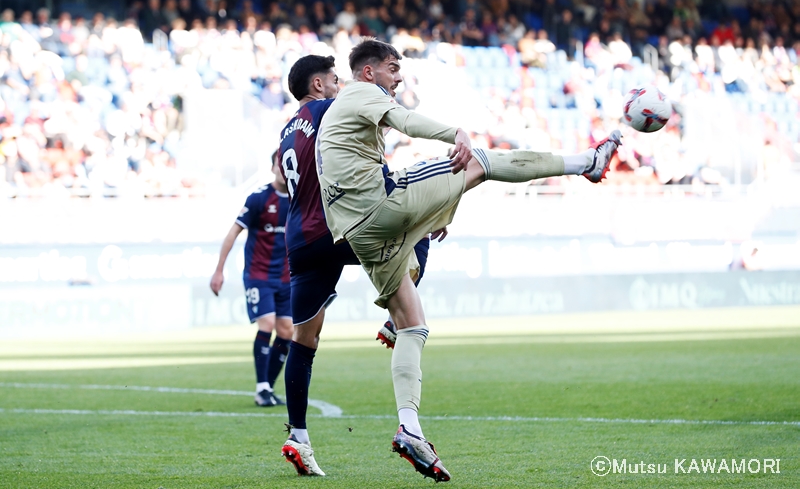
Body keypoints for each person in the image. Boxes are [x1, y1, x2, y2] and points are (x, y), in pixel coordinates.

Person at [316, 38, 622, 482]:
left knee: (411, 324)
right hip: (379, 207)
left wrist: (430, 212)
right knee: (476, 159)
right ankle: (586, 162)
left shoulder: (347, 107)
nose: (398, 76)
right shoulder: (362, 93)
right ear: (368, 72)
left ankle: (410, 428)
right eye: (391, 68)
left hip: (357, 232)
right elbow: (403, 120)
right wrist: (452, 132)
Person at [275, 54, 437, 477]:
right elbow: (380, 126)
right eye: (333, 79)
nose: (340, 84)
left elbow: (281, 180)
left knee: (303, 341)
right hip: (341, 225)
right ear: (317, 86)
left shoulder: (286, 131)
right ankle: (394, 319)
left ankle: (299, 436)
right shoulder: (333, 109)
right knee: (416, 227)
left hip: (301, 240)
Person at [209, 150, 292, 407]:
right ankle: (262, 387)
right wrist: (219, 269)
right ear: (272, 169)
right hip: (259, 275)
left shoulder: (300, 200)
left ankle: (267, 387)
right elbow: (233, 233)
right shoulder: (258, 198)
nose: (282, 170)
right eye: (278, 165)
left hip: (288, 277)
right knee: (266, 323)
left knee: (287, 331)